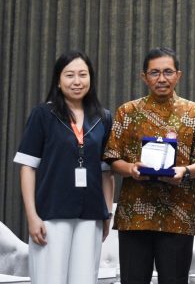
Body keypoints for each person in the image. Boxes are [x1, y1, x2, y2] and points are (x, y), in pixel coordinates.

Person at [104, 47, 195, 284]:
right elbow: (112, 158)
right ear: (144, 77)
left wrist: (184, 171)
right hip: (135, 215)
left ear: (178, 75)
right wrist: (131, 169)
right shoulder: (127, 112)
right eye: (154, 73)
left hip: (179, 214)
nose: (161, 79)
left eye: (167, 72)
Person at [14, 50, 114, 284]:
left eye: (83, 74)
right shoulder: (43, 115)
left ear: (91, 79)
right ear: (58, 81)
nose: (77, 81)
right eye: (69, 75)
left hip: (90, 214)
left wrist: (107, 213)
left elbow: (106, 172)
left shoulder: (103, 118)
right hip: (51, 213)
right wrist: (32, 216)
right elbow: (27, 167)